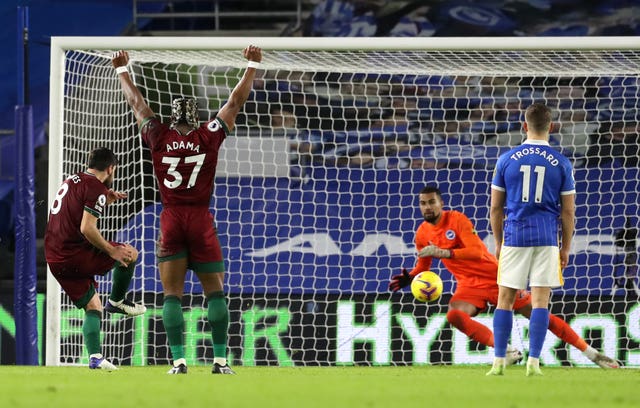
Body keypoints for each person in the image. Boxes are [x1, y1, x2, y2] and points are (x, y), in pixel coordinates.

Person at [112, 45, 263, 375]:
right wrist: (251, 64)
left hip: (171, 217)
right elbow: (234, 103)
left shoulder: (158, 135)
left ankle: (179, 362)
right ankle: (221, 362)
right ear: (196, 117)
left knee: (171, 295)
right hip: (199, 217)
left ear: (171, 115)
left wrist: (123, 70)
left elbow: (137, 105)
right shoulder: (208, 135)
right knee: (215, 291)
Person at [389, 185, 619, 370]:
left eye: (431, 202)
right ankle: (507, 351)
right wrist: (412, 276)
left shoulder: (457, 220)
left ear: (441, 203)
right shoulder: (422, 233)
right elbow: (424, 263)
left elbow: (476, 252)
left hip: (496, 277)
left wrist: (443, 252)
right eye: (423, 203)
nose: (427, 207)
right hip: (469, 286)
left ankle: (591, 353)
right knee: (455, 316)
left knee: (540, 317)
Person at [488, 102, 577, 376]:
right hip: (547, 238)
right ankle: (534, 362)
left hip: (515, 235)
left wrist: (499, 243)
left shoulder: (506, 160)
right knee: (540, 302)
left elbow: (495, 208)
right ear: (551, 127)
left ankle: (499, 361)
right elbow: (569, 211)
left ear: (524, 126)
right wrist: (565, 248)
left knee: (505, 299)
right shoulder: (562, 163)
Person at [45, 147, 146, 371]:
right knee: (129, 254)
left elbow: (70, 215)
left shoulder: (71, 180)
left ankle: (96, 358)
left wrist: (105, 201)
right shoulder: (96, 188)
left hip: (54, 257)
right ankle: (118, 301)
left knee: (93, 306)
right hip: (74, 254)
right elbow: (87, 228)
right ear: (111, 168)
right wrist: (112, 251)